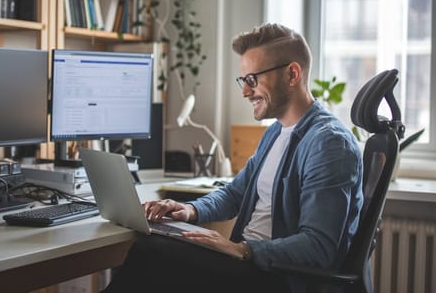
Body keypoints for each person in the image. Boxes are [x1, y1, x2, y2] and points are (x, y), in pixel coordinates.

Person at [102, 23, 363, 293]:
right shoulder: (276, 132)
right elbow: (234, 194)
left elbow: (319, 246)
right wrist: (190, 210)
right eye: (244, 81)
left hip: (279, 279)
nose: (245, 92)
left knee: (153, 253)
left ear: (292, 74)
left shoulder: (330, 144)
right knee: (153, 252)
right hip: (249, 264)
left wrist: (241, 249)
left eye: (253, 80)